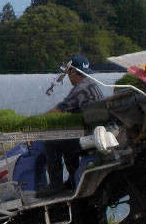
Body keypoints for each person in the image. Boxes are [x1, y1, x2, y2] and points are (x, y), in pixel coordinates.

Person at [40, 55, 104, 195]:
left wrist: (38, 121)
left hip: (90, 135)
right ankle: (73, 180)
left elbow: (60, 109)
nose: (68, 77)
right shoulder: (91, 84)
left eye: (69, 73)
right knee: (67, 140)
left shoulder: (80, 89)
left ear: (73, 72)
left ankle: (55, 185)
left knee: (51, 143)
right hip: (95, 131)